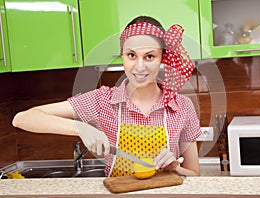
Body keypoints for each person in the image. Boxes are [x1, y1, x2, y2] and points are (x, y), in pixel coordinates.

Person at [12, 16, 201, 177]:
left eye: (149, 56)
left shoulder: (182, 106)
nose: (140, 66)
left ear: (163, 58)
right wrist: (81, 128)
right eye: (131, 55)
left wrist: (176, 169)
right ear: (122, 56)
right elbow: (22, 119)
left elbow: (195, 174)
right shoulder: (102, 101)